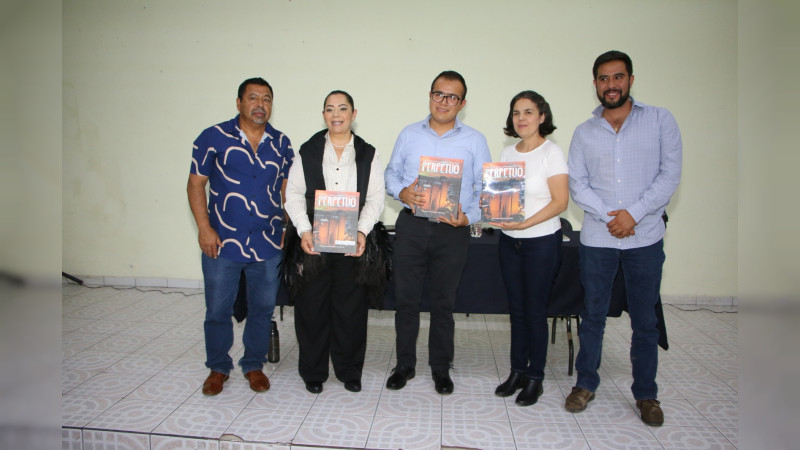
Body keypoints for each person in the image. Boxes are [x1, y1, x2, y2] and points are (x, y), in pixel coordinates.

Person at [566, 50, 682, 426]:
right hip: (599, 239)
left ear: (631, 79)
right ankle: (585, 384)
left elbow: (669, 175)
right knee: (593, 315)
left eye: (618, 77)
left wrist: (634, 214)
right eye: (603, 78)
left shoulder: (661, 121)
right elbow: (577, 185)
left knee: (645, 320)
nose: (611, 85)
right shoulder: (584, 132)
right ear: (595, 84)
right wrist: (609, 216)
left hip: (645, 236)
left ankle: (646, 394)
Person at [384, 70, 492, 395]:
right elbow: (390, 173)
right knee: (406, 301)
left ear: (462, 102)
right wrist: (402, 192)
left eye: (452, 97)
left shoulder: (475, 140)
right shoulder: (408, 134)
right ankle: (404, 365)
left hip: (452, 231)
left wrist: (468, 217)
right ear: (430, 96)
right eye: (438, 94)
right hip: (412, 227)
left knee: (443, 304)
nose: (443, 102)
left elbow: (486, 190)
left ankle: (441, 368)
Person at [187, 77, 294, 396]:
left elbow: (288, 190)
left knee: (262, 309)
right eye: (253, 98)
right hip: (223, 243)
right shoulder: (213, 137)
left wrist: (288, 229)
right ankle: (218, 367)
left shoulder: (282, 143)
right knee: (218, 310)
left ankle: (253, 365)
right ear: (239, 102)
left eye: (267, 99)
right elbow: (196, 185)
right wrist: (204, 229)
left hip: (268, 243)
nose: (260, 104)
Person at [284, 90, 385, 394]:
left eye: (343, 108)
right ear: (324, 114)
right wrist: (303, 230)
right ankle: (314, 372)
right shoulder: (309, 151)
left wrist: (362, 231)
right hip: (314, 242)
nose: (336, 114)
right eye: (330, 109)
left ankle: (349, 371)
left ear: (354, 114)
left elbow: (376, 198)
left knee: (351, 309)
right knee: (311, 308)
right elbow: (293, 194)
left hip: (353, 243)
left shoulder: (368, 153)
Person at [491, 91, 568, 406]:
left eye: (528, 112)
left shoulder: (552, 153)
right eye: (516, 112)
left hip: (541, 242)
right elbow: (502, 199)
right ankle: (517, 371)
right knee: (517, 311)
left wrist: (526, 223)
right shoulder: (508, 154)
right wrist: (495, 212)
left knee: (535, 313)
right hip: (510, 242)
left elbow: (561, 202)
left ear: (542, 117)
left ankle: (536, 377)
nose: (521, 118)